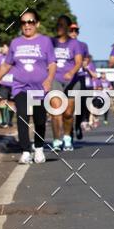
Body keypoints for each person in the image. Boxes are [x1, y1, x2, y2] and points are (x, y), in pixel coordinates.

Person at [0, 10, 56, 164]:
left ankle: (38, 148)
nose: (27, 25)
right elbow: (6, 65)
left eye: (30, 22)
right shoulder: (15, 43)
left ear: (37, 24)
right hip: (20, 87)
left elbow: (52, 63)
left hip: (39, 88)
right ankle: (25, 151)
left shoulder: (45, 41)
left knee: (39, 120)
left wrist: (49, 79)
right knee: (22, 116)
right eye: (24, 22)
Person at [51, 15, 84, 150]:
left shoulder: (74, 44)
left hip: (72, 81)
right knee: (55, 111)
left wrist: (71, 72)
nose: (60, 27)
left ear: (68, 27)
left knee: (68, 113)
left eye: (63, 25)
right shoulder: (51, 42)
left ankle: (67, 138)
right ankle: (56, 141)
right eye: (58, 25)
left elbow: (79, 62)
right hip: (55, 79)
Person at [65, 23, 89, 144]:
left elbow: (87, 58)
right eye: (71, 30)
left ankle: (78, 125)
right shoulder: (63, 45)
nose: (73, 33)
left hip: (80, 77)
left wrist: (85, 62)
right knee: (68, 107)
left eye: (76, 31)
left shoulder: (83, 45)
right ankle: (68, 132)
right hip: (68, 79)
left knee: (80, 104)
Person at [0, 42, 15, 128]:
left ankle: (10, 121)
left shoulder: (14, 57)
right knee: (2, 101)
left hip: (13, 83)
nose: (2, 49)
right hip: (3, 83)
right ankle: (4, 121)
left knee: (11, 102)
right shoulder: (0, 58)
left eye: (4, 47)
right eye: (2, 47)